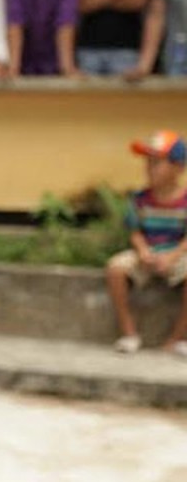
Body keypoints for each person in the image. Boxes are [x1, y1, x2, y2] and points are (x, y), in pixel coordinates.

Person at [106, 130, 187, 358]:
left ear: (178, 168)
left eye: (157, 163)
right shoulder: (140, 198)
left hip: (178, 254)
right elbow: (135, 232)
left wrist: (172, 257)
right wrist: (143, 251)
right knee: (116, 268)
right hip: (147, 253)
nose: (149, 168)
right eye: (148, 162)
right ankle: (129, 333)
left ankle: (178, 338)